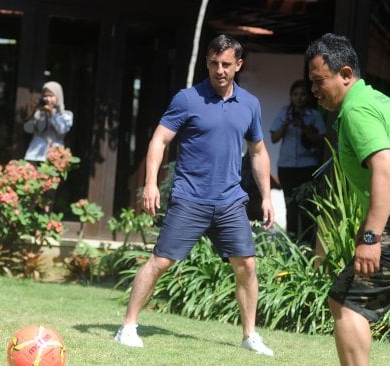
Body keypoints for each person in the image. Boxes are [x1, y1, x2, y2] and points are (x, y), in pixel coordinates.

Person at [114, 34, 275, 356]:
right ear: (207, 62)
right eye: (214, 63)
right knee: (160, 261)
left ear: (238, 65)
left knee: (247, 265)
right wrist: (150, 183)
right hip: (190, 197)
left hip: (230, 200)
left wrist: (267, 196)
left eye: (226, 64)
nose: (219, 70)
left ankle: (249, 335)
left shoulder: (250, 104)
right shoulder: (187, 99)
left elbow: (258, 152)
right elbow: (159, 141)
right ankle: (128, 326)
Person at [305, 33, 390, 366]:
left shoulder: (357, 111)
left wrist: (371, 237)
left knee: (346, 302)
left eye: (318, 81)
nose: (313, 90)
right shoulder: (375, 101)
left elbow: (384, 168)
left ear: (345, 74)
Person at [270, 79, 326, 243]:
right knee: (290, 206)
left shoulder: (314, 115)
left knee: (307, 206)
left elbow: (321, 140)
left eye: (303, 94)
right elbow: (273, 138)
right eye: (295, 94)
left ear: (308, 96)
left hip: (307, 166)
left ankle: (308, 244)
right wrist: (286, 124)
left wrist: (303, 126)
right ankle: (292, 244)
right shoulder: (284, 112)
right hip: (286, 166)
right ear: (291, 96)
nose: (299, 98)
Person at [23, 81, 73, 163]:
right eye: (45, 96)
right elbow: (28, 129)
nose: (48, 99)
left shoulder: (66, 114)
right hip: (35, 156)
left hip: (54, 157)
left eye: (51, 96)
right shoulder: (39, 113)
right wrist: (35, 112)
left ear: (58, 97)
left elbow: (62, 129)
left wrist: (51, 113)